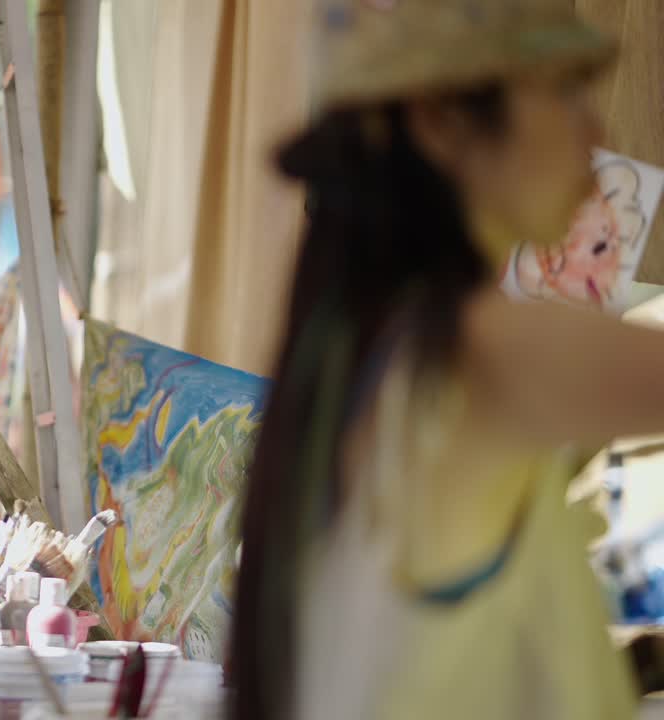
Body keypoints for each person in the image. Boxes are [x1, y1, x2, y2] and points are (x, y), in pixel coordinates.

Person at [230, 1, 648, 718]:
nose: (595, 134)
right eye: (562, 90)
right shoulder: (483, 351)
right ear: (441, 120)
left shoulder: (363, 347)